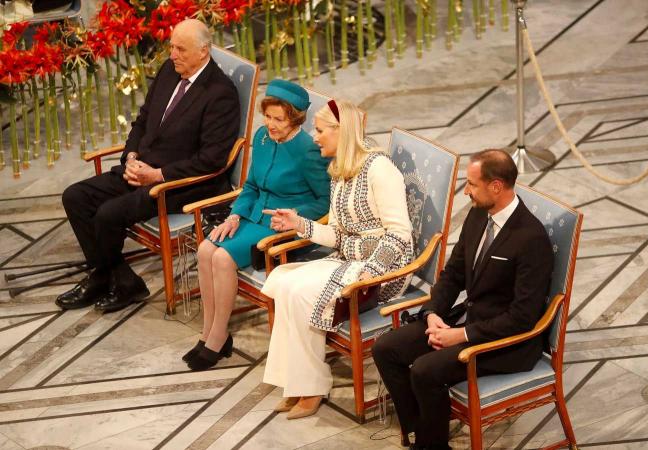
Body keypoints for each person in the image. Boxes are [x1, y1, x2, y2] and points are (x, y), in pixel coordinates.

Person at [372, 149, 554, 449]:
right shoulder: (478, 214)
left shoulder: (530, 239)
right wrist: (432, 313)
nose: (466, 191)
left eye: (471, 184)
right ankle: (423, 431)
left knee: (425, 370)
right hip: (467, 321)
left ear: (496, 185)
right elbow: (454, 273)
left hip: (507, 342)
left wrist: (461, 335)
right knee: (386, 348)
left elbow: (523, 316)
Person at [58, 19, 240, 313]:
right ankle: (116, 277)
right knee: (75, 197)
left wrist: (157, 175)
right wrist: (130, 158)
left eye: (180, 49)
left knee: (107, 215)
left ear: (203, 52)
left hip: (184, 184)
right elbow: (142, 121)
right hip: (141, 168)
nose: (172, 55)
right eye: (171, 46)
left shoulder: (220, 93)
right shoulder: (170, 71)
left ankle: (103, 277)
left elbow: (212, 159)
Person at [261, 99, 414, 420]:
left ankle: (313, 386)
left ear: (340, 132)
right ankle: (296, 383)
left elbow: (400, 235)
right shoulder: (341, 170)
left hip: (383, 271)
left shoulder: (380, 169)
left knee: (300, 292)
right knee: (283, 282)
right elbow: (342, 236)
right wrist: (300, 225)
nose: (314, 137)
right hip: (350, 259)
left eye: (319, 131)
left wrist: (368, 273)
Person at [184, 79, 331, 371]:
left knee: (223, 258)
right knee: (204, 250)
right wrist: (234, 215)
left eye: (279, 119)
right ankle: (210, 331)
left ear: (296, 119)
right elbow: (250, 185)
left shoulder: (308, 149)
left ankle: (217, 338)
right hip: (251, 215)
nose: (271, 124)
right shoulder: (263, 137)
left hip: (282, 226)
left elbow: (325, 201)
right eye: (268, 116)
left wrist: (293, 214)